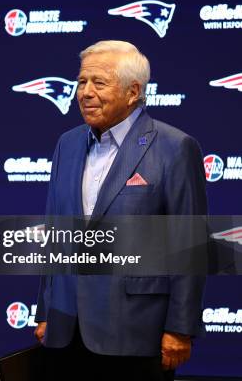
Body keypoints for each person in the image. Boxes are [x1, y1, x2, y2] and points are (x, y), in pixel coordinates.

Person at [34, 40, 206, 380]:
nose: (85, 92)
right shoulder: (66, 144)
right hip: (67, 328)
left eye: (99, 83)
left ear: (133, 92)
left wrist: (180, 328)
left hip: (137, 331)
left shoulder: (174, 147)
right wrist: (45, 310)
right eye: (82, 82)